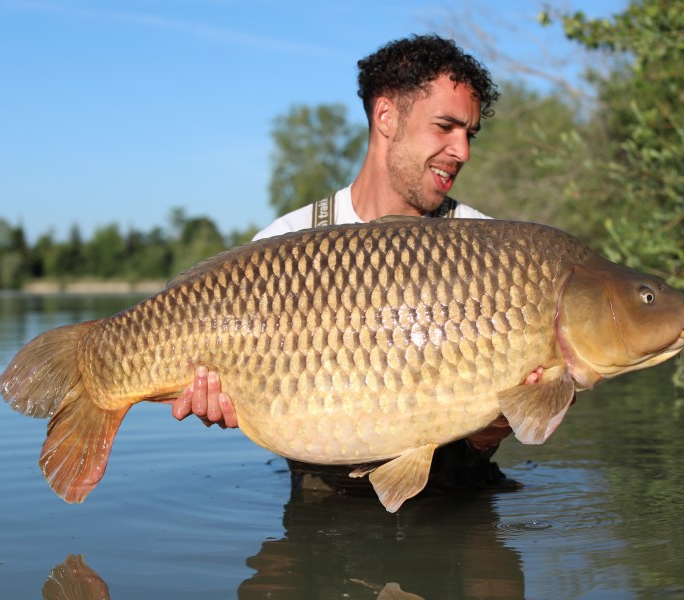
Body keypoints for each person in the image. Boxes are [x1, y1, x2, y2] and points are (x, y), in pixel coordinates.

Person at [169, 34, 527, 493]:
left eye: (469, 134)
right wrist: (220, 400)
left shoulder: (490, 250)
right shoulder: (283, 242)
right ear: (386, 117)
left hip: (450, 506)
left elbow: (490, 433)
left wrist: (499, 424)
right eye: (445, 127)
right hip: (323, 516)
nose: (463, 151)